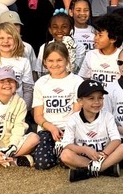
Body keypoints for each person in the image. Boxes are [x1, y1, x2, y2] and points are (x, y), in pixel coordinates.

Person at [59, 79, 123, 181]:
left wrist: (104, 155)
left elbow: (116, 140)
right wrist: (85, 150)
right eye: (91, 98)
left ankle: (88, 171)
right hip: (83, 157)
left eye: (100, 98)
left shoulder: (107, 116)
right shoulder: (73, 119)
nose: (97, 102)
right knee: (65, 155)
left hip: (104, 156)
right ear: (80, 101)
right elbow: (67, 144)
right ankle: (105, 169)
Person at [31, 41, 85, 170]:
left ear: (67, 60)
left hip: (70, 129)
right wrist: (52, 128)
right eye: (50, 60)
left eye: (59, 60)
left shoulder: (76, 81)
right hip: (48, 129)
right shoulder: (41, 83)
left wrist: (65, 133)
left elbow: (76, 114)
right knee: (42, 163)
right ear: (44, 62)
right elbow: (38, 116)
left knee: (65, 162)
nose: (55, 64)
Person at [0, 23, 35, 109]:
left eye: (10, 38)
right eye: (1, 38)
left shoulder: (24, 62)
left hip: (17, 110)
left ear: (16, 40)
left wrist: (23, 110)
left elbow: (28, 89)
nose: (6, 41)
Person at [79, 14, 123, 88]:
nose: (95, 38)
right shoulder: (90, 55)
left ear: (113, 39)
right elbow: (83, 79)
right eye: (95, 34)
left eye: (100, 35)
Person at [69, 0, 95, 70]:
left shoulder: (95, 31)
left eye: (86, 10)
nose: (82, 13)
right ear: (71, 12)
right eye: (78, 10)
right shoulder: (68, 32)